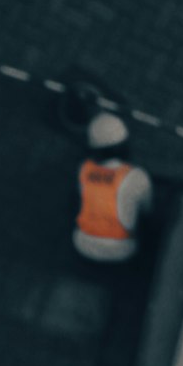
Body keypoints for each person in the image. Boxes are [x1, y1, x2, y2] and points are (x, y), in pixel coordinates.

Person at [73, 112, 153, 262]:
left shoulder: (84, 170)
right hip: (121, 250)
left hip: (83, 243)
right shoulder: (137, 176)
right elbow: (147, 211)